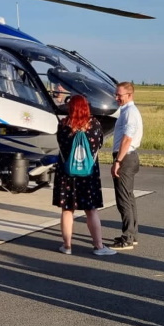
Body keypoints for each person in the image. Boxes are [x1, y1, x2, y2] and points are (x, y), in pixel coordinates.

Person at [52, 95, 116, 256]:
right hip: (88, 174)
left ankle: (67, 246)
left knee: (67, 210)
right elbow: (99, 144)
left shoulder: (63, 125)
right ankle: (99, 246)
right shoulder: (94, 124)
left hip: (67, 173)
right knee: (91, 210)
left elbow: (60, 144)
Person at [109, 82, 143, 251]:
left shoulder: (130, 112)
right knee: (128, 197)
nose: (116, 98)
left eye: (119, 95)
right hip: (129, 156)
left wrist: (118, 161)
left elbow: (127, 138)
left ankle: (128, 237)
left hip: (126, 157)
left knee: (123, 198)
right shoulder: (128, 111)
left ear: (129, 95)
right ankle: (132, 234)